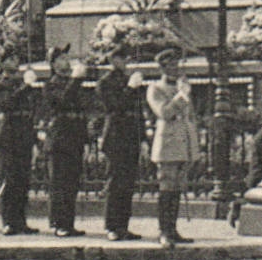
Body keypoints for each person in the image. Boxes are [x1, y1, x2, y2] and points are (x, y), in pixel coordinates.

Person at [148, 48, 199, 249]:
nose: (174, 68)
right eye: (170, 65)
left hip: (183, 142)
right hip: (167, 144)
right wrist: (181, 95)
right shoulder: (155, 88)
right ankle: (164, 231)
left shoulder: (182, 87)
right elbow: (164, 112)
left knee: (178, 188)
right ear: (162, 67)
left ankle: (173, 229)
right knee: (166, 188)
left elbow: (190, 116)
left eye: (176, 65)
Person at [98, 49, 147, 241]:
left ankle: (123, 226)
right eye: (121, 58)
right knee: (115, 182)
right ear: (112, 60)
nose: (125, 61)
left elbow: (138, 112)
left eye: (126, 58)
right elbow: (114, 107)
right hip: (116, 136)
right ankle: (112, 226)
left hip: (131, 136)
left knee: (128, 183)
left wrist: (143, 138)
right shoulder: (105, 82)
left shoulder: (131, 80)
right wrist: (130, 89)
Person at [44, 47, 89, 237]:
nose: (67, 61)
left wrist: (85, 139)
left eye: (66, 57)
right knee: (60, 183)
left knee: (72, 183)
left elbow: (81, 112)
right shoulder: (51, 85)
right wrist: (76, 80)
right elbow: (62, 102)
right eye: (61, 58)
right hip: (60, 138)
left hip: (74, 136)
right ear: (53, 64)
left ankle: (68, 223)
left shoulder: (72, 83)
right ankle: (58, 223)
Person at [0, 51, 40, 235]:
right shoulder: (0, 85)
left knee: (23, 181)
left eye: (16, 58)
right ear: (3, 63)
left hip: (24, 136)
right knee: (10, 180)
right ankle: (8, 222)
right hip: (9, 137)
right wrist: (26, 87)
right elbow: (7, 104)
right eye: (11, 58)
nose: (16, 61)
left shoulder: (22, 85)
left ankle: (20, 221)